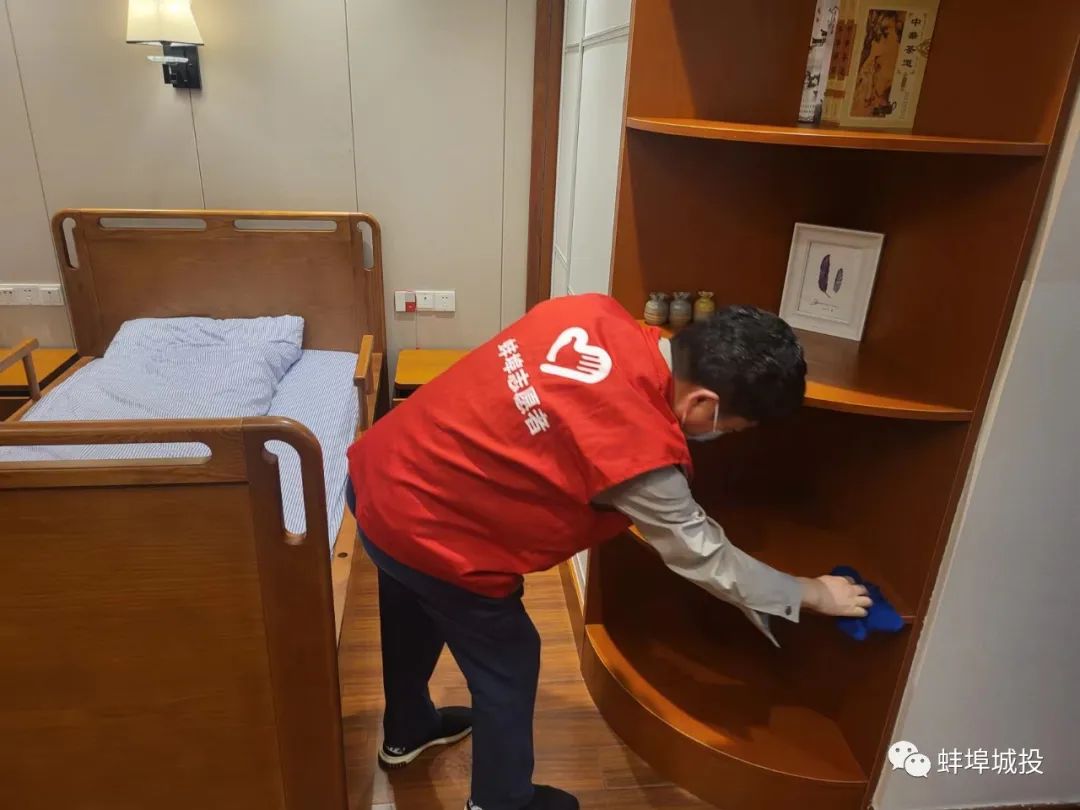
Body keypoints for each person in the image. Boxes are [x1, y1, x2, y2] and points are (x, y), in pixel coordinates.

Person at [345, 294, 871, 810]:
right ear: (703, 404)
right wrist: (812, 592)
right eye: (731, 429)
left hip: (380, 477)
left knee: (411, 608)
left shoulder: (588, 311)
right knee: (509, 662)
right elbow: (708, 559)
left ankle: (408, 729)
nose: (724, 437)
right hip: (432, 534)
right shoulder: (639, 453)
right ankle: (501, 801)